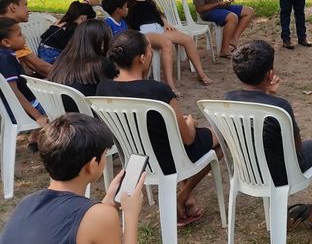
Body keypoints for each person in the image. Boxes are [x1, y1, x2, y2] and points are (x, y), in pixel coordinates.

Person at [96, 30, 220, 226]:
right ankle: (182, 195)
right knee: (220, 137)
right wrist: (190, 123)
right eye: (150, 49)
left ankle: (186, 198)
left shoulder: (103, 89)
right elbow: (187, 138)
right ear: (142, 58)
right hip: (168, 159)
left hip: (136, 158)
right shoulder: (158, 90)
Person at [224, 40, 312, 228]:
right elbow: (296, 149)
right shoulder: (279, 107)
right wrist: (271, 97)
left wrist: (268, 95)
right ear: (270, 73)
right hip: (282, 173)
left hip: (248, 170)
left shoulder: (227, 100)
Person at [0, 113, 145, 244]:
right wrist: (130, 214)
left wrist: (106, 203)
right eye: (104, 154)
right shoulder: (101, 217)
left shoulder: (27, 203)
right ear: (92, 165)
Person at [117, 0, 213, 95]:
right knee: (167, 45)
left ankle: (201, 74)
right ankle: (170, 85)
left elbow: (156, 11)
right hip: (143, 32)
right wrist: (89, 3)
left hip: (159, 27)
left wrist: (165, 21)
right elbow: (104, 0)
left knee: (187, 40)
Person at [48, 19, 117, 112]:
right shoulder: (102, 64)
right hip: (89, 119)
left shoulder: (62, 60)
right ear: (102, 42)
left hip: (63, 114)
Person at [0, 17, 48, 149]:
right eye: (20, 34)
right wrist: (38, 116)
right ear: (6, 42)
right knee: (62, 103)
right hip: (25, 107)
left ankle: (35, 137)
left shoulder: (7, 55)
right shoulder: (5, 59)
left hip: (26, 102)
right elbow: (13, 92)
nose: (24, 36)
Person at [0, 0, 52, 77]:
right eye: (25, 5)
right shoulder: (10, 33)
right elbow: (39, 66)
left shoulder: (7, 28)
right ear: (13, 7)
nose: (29, 10)